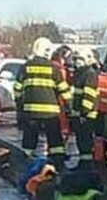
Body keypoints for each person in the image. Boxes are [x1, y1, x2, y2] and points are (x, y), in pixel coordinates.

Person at [14, 37, 71, 165]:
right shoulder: (54, 68)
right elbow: (64, 90)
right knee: (54, 138)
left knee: (29, 137)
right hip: (51, 112)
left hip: (31, 111)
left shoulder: (25, 67)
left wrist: (19, 104)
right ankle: (58, 163)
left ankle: (26, 163)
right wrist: (69, 107)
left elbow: (17, 89)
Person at [68, 52, 101, 169]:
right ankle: (83, 163)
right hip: (78, 114)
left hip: (87, 115)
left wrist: (84, 113)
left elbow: (89, 95)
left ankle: (87, 166)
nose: (77, 62)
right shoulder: (79, 73)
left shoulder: (89, 73)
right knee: (80, 139)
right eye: (76, 59)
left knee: (85, 140)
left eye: (80, 59)